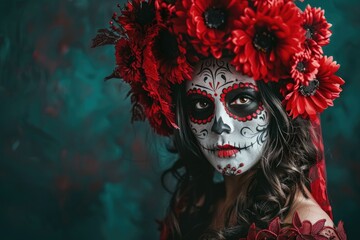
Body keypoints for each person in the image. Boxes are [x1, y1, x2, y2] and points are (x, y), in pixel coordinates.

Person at [92, 0, 347, 239]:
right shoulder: (196, 205)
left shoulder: (303, 228)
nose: (219, 124)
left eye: (241, 100)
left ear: (277, 108)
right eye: (201, 104)